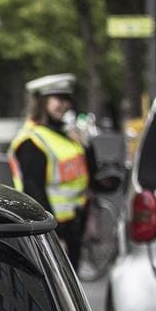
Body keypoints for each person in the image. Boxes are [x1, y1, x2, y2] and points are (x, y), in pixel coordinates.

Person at [10, 74, 93, 270]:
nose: (65, 105)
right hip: (54, 231)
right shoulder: (31, 141)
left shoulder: (65, 135)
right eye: (58, 99)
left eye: (67, 100)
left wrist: (87, 145)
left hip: (74, 226)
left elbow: (89, 175)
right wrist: (52, 236)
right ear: (42, 102)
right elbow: (34, 191)